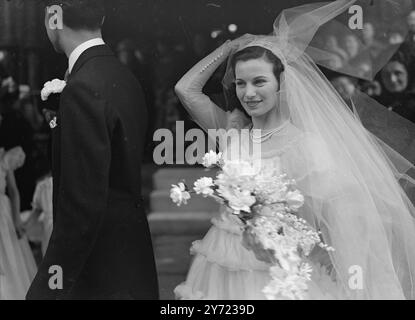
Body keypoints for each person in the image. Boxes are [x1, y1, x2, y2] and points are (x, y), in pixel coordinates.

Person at [174, 0, 415, 300]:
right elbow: (186, 89)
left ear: (281, 83)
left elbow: (336, 217)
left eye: (259, 81)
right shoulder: (231, 131)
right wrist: (230, 47)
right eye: (240, 83)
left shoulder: (307, 144)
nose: (248, 93)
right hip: (221, 261)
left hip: (278, 268)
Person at [26, 0, 159, 300]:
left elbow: (80, 208)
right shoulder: (123, 75)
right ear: (101, 16)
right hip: (131, 258)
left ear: (53, 16)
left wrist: (47, 289)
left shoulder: (82, 86)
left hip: (98, 271)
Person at [0, 147, 37, 300]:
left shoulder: (3, 156)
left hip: (3, 216)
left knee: (10, 258)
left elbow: (13, 191)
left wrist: (16, 219)